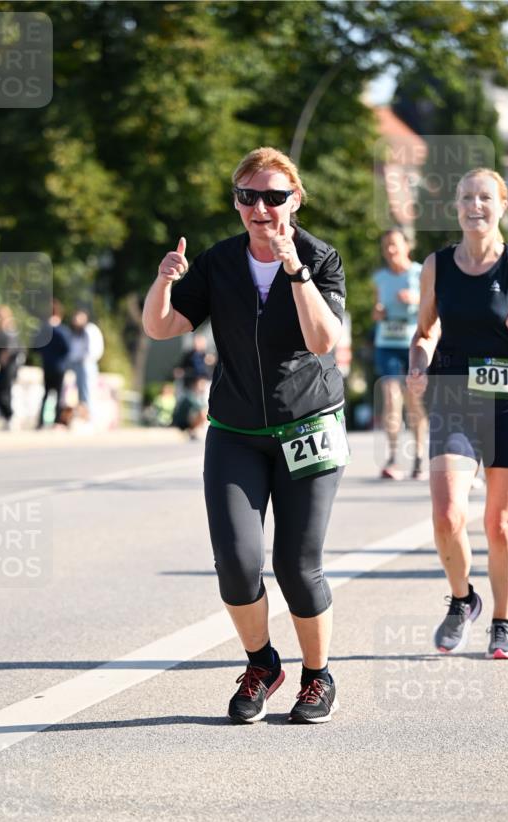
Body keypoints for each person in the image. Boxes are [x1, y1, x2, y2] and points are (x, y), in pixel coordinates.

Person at [143, 146, 348, 723]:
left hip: (307, 424)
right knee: (235, 561)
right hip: (235, 429)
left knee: (297, 564)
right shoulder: (219, 262)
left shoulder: (321, 257)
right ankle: (262, 663)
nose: (261, 207)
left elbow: (322, 341)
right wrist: (163, 281)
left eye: (274, 197)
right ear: (237, 203)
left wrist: (295, 270)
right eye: (248, 197)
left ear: (295, 200)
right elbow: (161, 326)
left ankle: (317, 675)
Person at [407, 168, 508, 659]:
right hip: (453, 396)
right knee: (448, 514)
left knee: (499, 523)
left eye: (485, 198)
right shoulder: (436, 266)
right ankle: (462, 599)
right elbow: (425, 332)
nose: (476, 206)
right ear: (456, 206)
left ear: (502, 205)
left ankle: (503, 621)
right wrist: (418, 359)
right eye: (467, 198)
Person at [372, 230, 427, 480]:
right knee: (392, 398)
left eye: (394, 245)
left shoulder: (420, 273)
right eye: (386, 246)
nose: (390, 250)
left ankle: (418, 458)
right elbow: (375, 312)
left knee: (415, 402)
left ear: (407, 246)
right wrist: (379, 312)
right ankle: (393, 458)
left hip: (414, 343)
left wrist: (414, 299)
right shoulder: (380, 277)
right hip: (387, 343)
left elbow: (432, 304)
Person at [36, 299, 71, 428]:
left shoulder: (45, 329)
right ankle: (54, 422)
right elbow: (68, 347)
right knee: (55, 394)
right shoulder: (59, 330)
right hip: (57, 366)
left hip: (51, 366)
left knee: (48, 394)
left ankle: (44, 422)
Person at [0, 304, 22, 428]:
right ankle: (7, 416)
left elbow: (11, 347)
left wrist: (4, 358)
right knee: (0, 391)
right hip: (4, 364)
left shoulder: (9, 328)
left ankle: (11, 417)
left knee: (4, 391)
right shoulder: (0, 329)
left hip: (10, 363)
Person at [172, 374, 208, 439]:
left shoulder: (198, 395)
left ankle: (193, 431)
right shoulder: (189, 394)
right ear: (195, 384)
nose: (203, 386)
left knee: (204, 412)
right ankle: (192, 430)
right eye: (201, 384)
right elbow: (199, 407)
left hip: (188, 420)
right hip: (181, 422)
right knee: (203, 412)